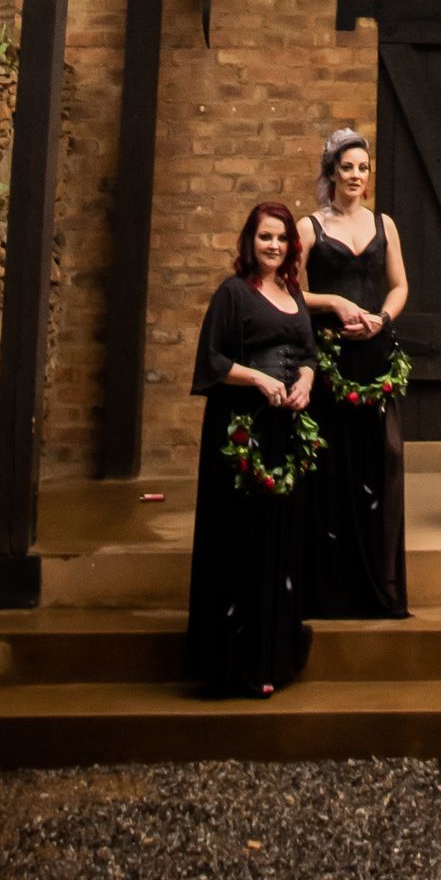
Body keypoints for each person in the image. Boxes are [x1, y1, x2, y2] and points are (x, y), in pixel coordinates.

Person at [186, 200, 319, 699]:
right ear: (250, 241)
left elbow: (307, 353)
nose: (274, 246)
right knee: (242, 539)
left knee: (279, 540)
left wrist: (305, 381)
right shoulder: (233, 294)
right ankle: (236, 661)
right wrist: (260, 378)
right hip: (241, 432)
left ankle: (274, 656)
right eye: (266, 237)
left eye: (282, 239)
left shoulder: (292, 292)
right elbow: (213, 359)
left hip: (285, 434)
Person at [298, 126, 410, 619]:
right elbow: (291, 293)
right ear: (331, 172)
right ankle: (330, 582)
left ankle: (377, 580)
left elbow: (400, 284)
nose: (356, 176)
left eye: (363, 168)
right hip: (328, 357)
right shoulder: (308, 227)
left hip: (375, 354)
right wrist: (335, 302)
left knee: (379, 459)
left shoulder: (384, 223)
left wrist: (382, 318)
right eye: (347, 167)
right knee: (331, 463)